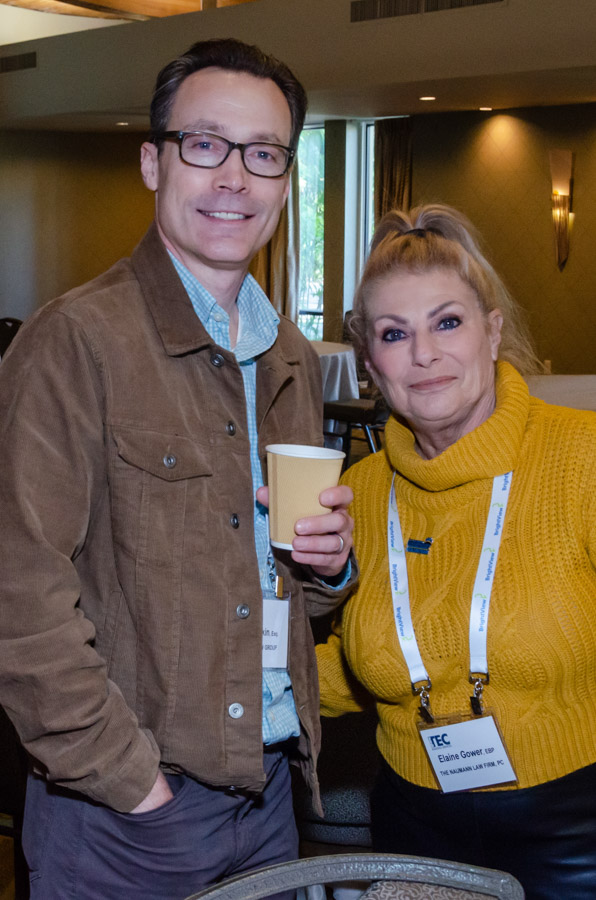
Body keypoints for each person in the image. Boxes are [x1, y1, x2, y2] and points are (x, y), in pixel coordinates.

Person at [0, 38, 355, 900]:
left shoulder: (291, 359)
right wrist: (132, 784)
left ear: (285, 182)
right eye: (205, 144)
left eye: (263, 154)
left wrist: (329, 566)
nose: (235, 177)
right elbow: (18, 594)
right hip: (126, 817)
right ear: (154, 163)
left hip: (270, 797)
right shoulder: (76, 342)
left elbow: (275, 593)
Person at [316, 204, 596, 898]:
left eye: (447, 322)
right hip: (414, 828)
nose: (424, 354)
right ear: (370, 363)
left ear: (492, 332)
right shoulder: (359, 490)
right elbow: (351, 663)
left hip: (577, 831)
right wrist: (222, 680)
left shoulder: (582, 460)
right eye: (394, 333)